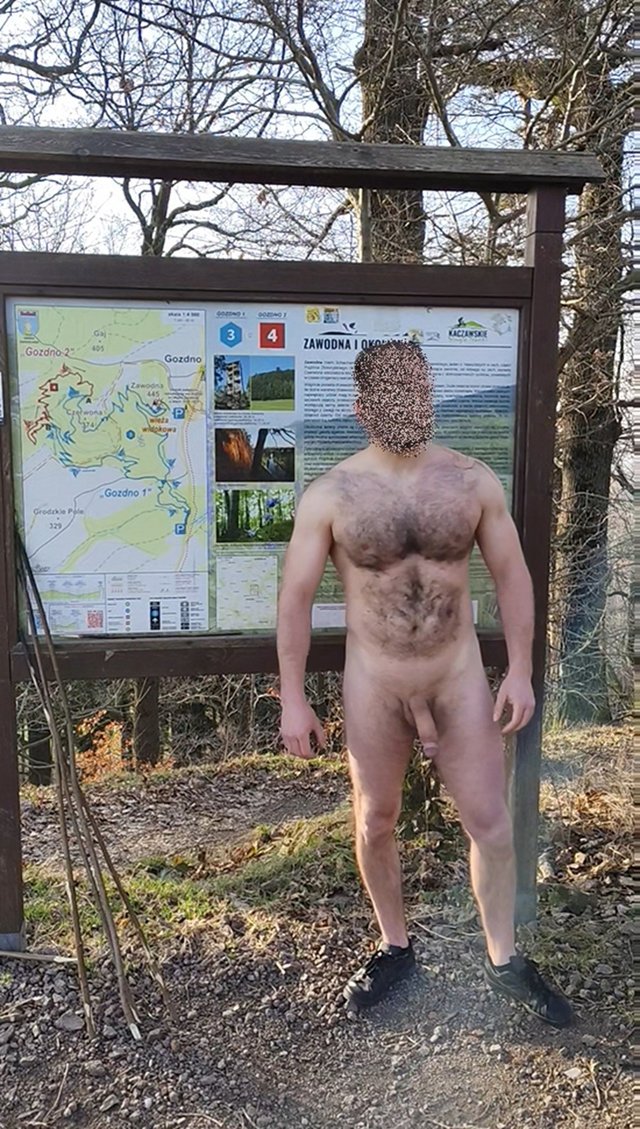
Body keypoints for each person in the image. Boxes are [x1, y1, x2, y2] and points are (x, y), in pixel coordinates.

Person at [276, 340, 573, 1028]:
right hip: (374, 684)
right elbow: (294, 599)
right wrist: (292, 696)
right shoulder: (332, 495)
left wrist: (520, 669)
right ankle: (395, 947)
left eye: (417, 390)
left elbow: (513, 576)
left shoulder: (471, 481)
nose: (408, 405)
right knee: (374, 820)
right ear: (363, 409)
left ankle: (504, 960)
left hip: (456, 678)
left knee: (492, 823)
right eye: (392, 395)